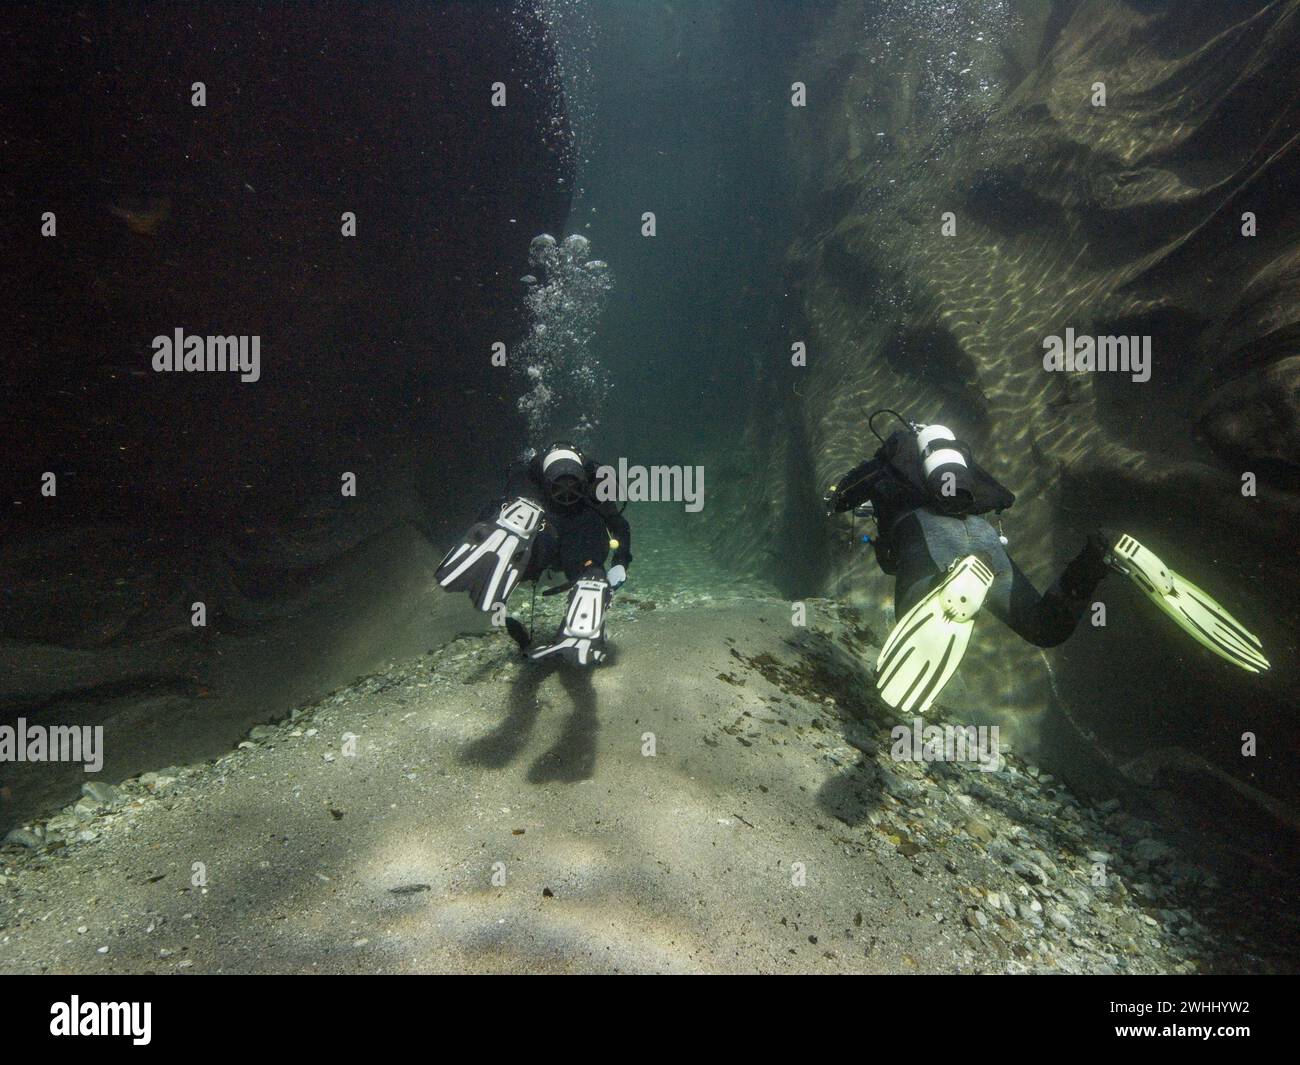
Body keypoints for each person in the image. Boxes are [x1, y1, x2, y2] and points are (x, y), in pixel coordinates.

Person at [824, 409, 1269, 714]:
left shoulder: (884, 467)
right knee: (1044, 628)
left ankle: (951, 581)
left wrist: (848, 495)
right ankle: (1100, 554)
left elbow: (839, 497)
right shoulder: (959, 469)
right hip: (982, 535)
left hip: (927, 533)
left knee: (915, 614)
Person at [436, 442, 631, 666]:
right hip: (568, 540)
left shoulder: (531, 476)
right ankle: (590, 579)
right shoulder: (591, 483)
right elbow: (619, 525)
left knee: (532, 542)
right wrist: (619, 562)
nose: (566, 491)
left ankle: (517, 526)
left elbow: (500, 502)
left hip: (548, 537)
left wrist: (487, 523)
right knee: (587, 567)